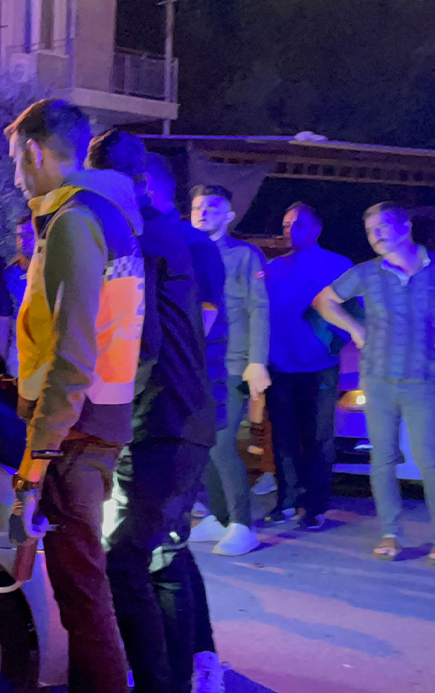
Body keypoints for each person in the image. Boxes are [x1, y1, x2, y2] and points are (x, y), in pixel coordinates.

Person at [5, 99, 144, 693]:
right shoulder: (112, 214)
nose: (16, 176)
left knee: (84, 599)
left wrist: (33, 466)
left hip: (73, 434)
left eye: (16, 159)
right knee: (84, 593)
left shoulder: (73, 221)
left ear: (35, 152)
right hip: (98, 423)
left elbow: (72, 355)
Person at [89, 128, 219, 693]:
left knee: (127, 561)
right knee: (163, 555)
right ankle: (184, 673)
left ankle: (164, 680)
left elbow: (143, 343)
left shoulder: (139, 238)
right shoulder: (168, 236)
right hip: (180, 416)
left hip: (162, 418)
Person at [315, 202, 435, 567]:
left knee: (431, 460)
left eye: (382, 227)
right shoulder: (367, 273)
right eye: (370, 231)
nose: (376, 236)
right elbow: (325, 300)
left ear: (405, 227)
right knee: (382, 460)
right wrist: (355, 329)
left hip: (421, 380)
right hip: (377, 379)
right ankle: (390, 533)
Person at [137, 148, 228, 692]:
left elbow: (202, 325)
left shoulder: (191, 246)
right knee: (165, 542)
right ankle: (198, 655)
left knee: (162, 546)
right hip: (162, 409)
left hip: (180, 408)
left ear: (147, 186)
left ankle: (192, 665)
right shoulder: (156, 241)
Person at [187, 184, 269, 556]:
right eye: (197, 207)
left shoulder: (244, 256)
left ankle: (243, 525)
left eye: (212, 206)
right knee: (201, 443)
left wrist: (257, 361)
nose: (203, 212)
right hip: (196, 363)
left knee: (221, 443)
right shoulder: (187, 253)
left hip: (233, 363)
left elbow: (259, 309)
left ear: (229, 215)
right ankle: (219, 517)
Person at [264, 203, 353, 530]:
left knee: (319, 438)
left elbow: (355, 313)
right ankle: (287, 500)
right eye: (286, 225)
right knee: (283, 437)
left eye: (298, 225)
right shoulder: (273, 268)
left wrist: (331, 345)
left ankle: (315, 506)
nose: (290, 231)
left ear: (316, 229)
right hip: (280, 365)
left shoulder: (338, 265)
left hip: (319, 366)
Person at [1, 215, 36, 376]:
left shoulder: (49, 270)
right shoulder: (9, 274)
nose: (23, 240)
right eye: (20, 235)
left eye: (29, 235)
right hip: (18, 344)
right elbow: (3, 318)